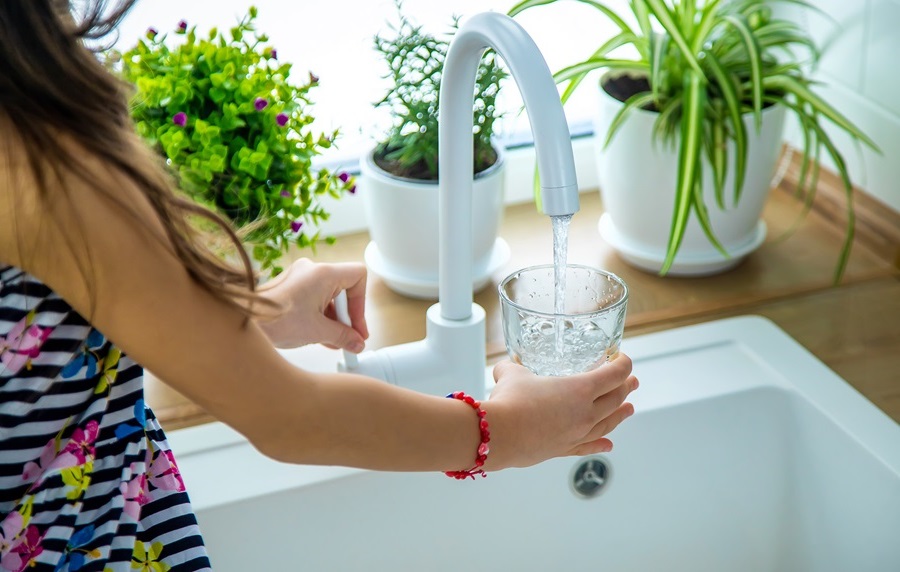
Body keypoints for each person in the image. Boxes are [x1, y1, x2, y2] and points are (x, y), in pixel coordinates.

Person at [0, 1, 638, 570]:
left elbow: (38, 343)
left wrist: (250, 312)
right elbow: (291, 419)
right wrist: (512, 432)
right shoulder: (50, 169)